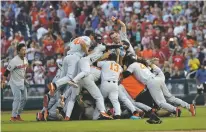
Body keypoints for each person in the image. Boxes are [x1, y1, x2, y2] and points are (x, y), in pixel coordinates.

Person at [1, 43, 28, 121]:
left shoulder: (25, 59)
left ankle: (18, 115)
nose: (24, 51)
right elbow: (6, 72)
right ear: (18, 51)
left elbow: (24, 70)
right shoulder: (14, 61)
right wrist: (3, 81)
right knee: (17, 98)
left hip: (22, 81)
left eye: (25, 49)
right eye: (23, 50)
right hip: (14, 82)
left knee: (25, 99)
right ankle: (13, 116)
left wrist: (25, 79)